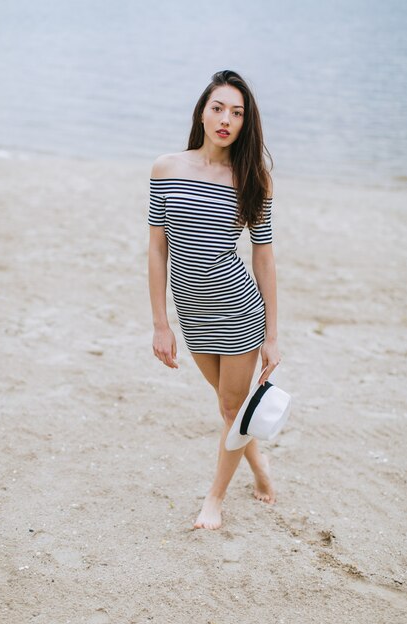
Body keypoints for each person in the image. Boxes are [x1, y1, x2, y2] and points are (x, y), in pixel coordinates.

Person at [147, 69, 281, 530]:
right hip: (192, 316)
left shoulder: (252, 180)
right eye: (218, 108)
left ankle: (214, 500)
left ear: (246, 123)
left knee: (231, 409)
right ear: (202, 113)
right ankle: (259, 465)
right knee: (233, 407)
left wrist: (272, 334)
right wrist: (161, 323)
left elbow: (263, 258)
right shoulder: (166, 167)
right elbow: (158, 247)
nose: (226, 119)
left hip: (240, 312)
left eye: (237, 113)